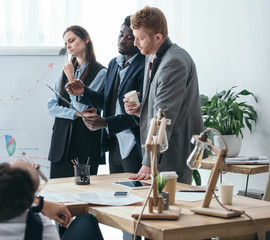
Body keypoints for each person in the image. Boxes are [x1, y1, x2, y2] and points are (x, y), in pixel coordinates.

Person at [124, 7, 204, 184]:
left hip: (173, 152)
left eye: (140, 38)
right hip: (161, 152)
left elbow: (164, 117)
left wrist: (148, 162)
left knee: (172, 208)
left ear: (158, 37)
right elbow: (158, 104)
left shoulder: (173, 62)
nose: (135, 43)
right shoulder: (151, 55)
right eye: (135, 37)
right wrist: (141, 110)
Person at [0, 160, 104, 240]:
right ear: (28, 199)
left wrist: (40, 204)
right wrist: (40, 204)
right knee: (86, 220)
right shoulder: (38, 226)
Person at [65, 16, 144, 174]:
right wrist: (84, 91)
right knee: (116, 192)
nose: (122, 40)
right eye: (121, 35)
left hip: (133, 144)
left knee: (136, 193)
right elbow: (107, 102)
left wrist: (105, 123)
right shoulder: (114, 63)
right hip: (113, 142)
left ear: (138, 40)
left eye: (129, 38)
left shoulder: (144, 66)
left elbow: (139, 113)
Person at [47, 25, 107, 179]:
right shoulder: (65, 71)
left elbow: (81, 104)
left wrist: (72, 78)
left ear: (86, 39)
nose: (68, 46)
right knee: (58, 193)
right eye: (66, 43)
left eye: (71, 40)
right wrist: (75, 114)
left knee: (82, 193)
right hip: (60, 143)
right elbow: (51, 107)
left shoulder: (101, 72)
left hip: (84, 143)